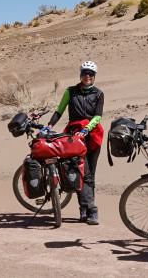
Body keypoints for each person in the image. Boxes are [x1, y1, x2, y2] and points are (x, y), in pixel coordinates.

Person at [48, 60, 105, 225]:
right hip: (74, 137)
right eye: (85, 73)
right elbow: (59, 111)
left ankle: (84, 209)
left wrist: (86, 129)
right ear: (80, 74)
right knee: (82, 172)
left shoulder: (99, 94)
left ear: (94, 77)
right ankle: (91, 210)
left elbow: (98, 116)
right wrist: (49, 125)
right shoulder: (70, 92)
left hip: (92, 136)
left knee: (90, 175)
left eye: (91, 74)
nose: (87, 76)